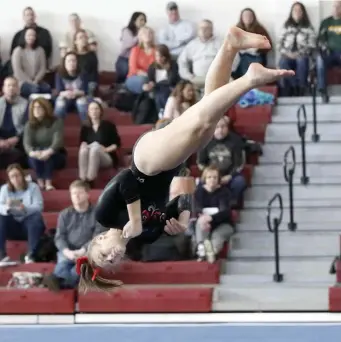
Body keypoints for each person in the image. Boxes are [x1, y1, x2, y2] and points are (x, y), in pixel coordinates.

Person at [76, 26, 294, 292]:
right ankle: (230, 45)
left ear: (99, 240)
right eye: (112, 263)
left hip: (147, 161)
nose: (112, 257)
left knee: (202, 118)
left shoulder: (106, 214)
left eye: (103, 255)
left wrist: (133, 219)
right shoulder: (148, 235)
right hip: (172, 167)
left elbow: (125, 182)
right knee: (209, 117)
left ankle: (249, 78)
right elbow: (182, 191)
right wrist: (183, 217)